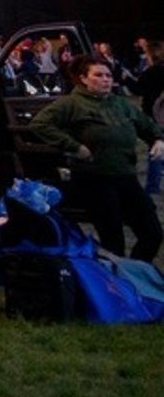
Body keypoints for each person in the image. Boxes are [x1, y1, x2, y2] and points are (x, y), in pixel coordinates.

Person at [25, 53, 164, 261]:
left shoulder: (120, 104)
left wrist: (158, 139)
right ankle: (113, 285)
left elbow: (147, 125)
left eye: (108, 75)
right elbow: (40, 124)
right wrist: (74, 146)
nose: (106, 79)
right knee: (113, 240)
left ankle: (133, 275)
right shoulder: (71, 103)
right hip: (94, 177)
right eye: (98, 75)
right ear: (83, 78)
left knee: (152, 234)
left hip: (125, 175)